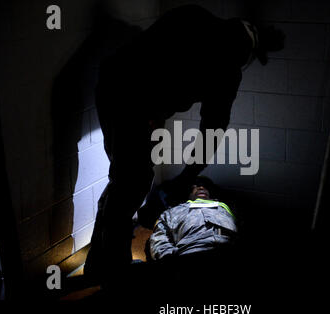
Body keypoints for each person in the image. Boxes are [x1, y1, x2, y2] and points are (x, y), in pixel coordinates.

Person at [84, 4, 284, 284]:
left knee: (124, 179)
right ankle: (114, 272)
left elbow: (155, 64)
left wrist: (183, 172)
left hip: (116, 84)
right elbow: (212, 128)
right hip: (128, 94)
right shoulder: (227, 67)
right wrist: (186, 176)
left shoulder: (193, 17)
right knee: (132, 180)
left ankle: (99, 266)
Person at [149, 176, 237, 260]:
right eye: (196, 186)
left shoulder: (226, 207)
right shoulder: (172, 211)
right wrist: (169, 258)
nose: (201, 187)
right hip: (190, 251)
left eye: (205, 186)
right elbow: (159, 237)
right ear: (189, 194)